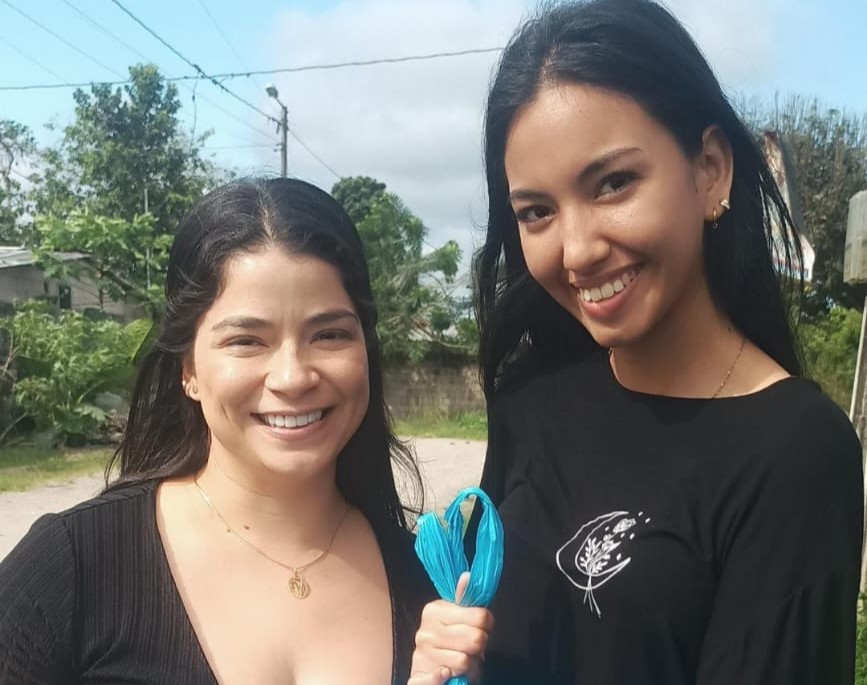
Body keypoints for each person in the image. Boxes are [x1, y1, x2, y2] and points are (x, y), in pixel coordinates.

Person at [409, 1, 864, 684]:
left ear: (709, 169)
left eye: (613, 184)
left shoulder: (795, 452)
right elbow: (481, 620)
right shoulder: (531, 395)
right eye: (536, 211)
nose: (577, 250)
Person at [0, 178, 436, 684]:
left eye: (330, 334)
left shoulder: (427, 582)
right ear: (188, 369)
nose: (293, 377)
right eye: (247, 341)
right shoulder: (74, 567)